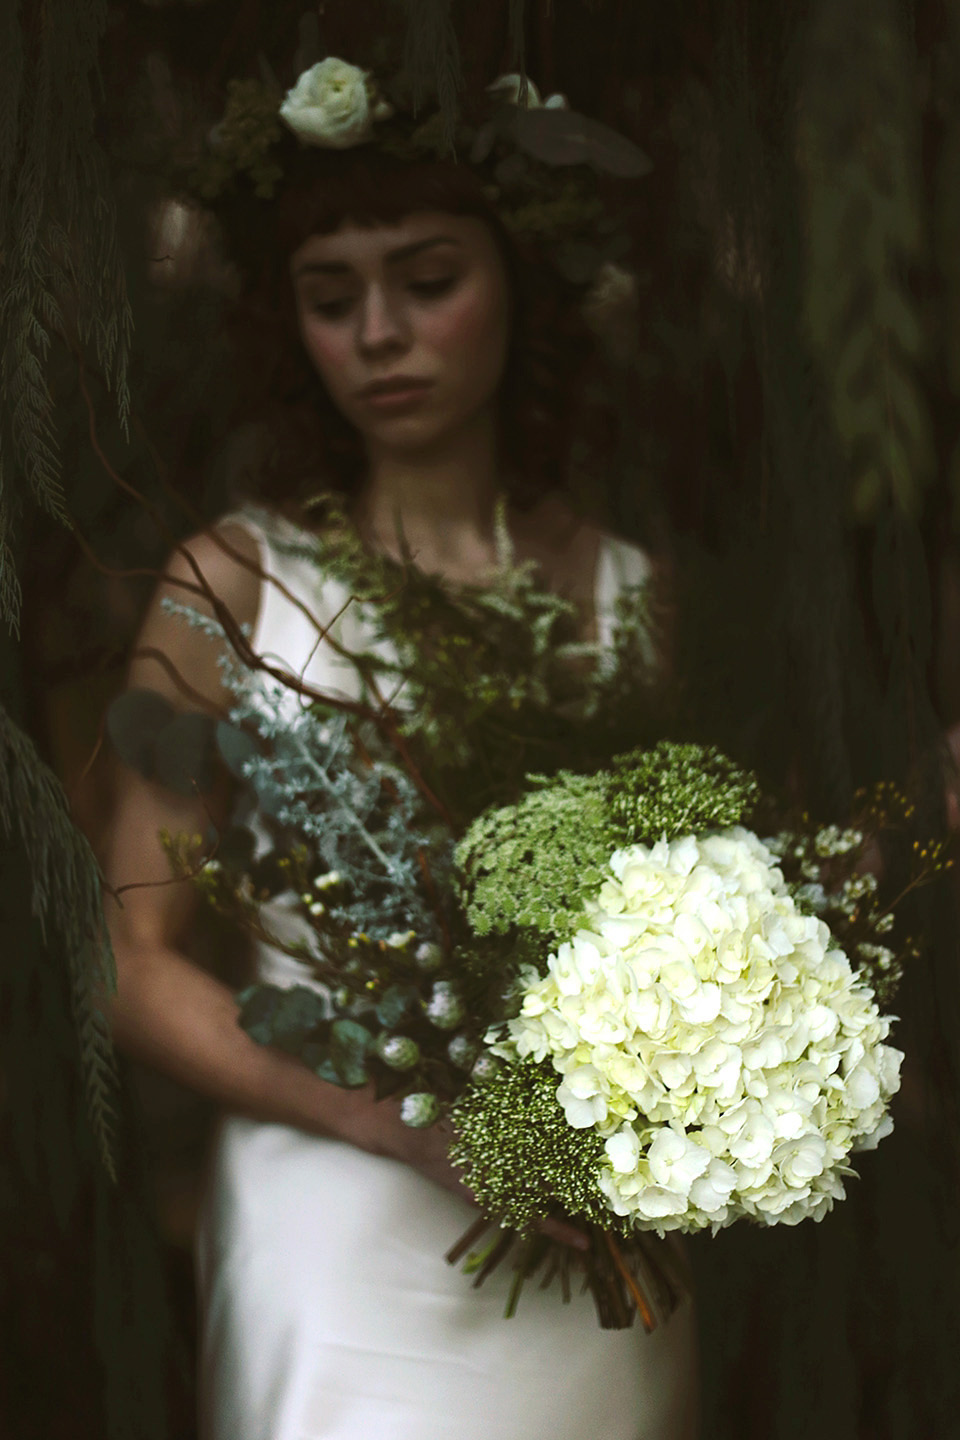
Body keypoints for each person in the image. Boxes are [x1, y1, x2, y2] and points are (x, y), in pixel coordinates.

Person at [102, 58, 698, 1440]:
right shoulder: (231, 586)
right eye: (331, 298)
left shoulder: (635, 601)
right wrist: (391, 1123)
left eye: (428, 281)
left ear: (522, 289)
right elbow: (127, 959)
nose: (379, 333)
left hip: (576, 1222)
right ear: (288, 322)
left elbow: (726, 915)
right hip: (335, 1201)